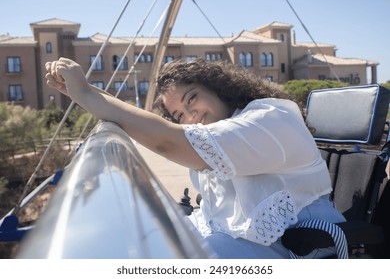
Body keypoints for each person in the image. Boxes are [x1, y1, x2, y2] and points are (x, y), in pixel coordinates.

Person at [45, 57, 346, 259]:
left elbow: (165, 140)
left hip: (300, 247)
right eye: (179, 116)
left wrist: (84, 93)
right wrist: (83, 92)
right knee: (140, 246)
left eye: (192, 99)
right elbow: (159, 130)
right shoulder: (223, 131)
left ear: (219, 89)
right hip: (250, 240)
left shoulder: (269, 119)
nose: (191, 116)